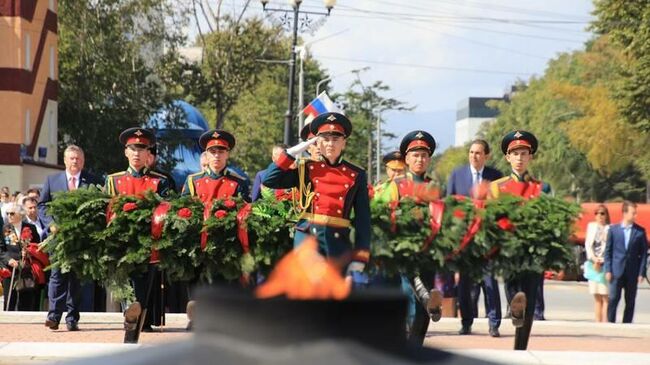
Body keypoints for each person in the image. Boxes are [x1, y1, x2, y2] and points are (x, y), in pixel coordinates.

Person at [263, 112, 371, 274]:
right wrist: (292, 152)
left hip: (338, 240)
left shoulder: (356, 174)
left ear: (344, 143)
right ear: (317, 142)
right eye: (325, 139)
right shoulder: (305, 168)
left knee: (334, 293)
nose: (330, 144)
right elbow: (269, 180)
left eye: (335, 139)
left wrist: (360, 256)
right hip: (308, 236)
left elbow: (363, 220)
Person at [181, 129, 251, 330]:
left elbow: (246, 212)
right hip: (198, 241)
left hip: (226, 242)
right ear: (206, 154)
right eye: (212, 152)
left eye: (221, 151)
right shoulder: (193, 181)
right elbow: (182, 209)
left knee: (223, 282)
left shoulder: (238, 183)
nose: (217, 156)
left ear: (227, 154)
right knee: (197, 280)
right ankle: (196, 317)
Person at [105, 127, 171, 340]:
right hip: (122, 247)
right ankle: (130, 325)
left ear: (148, 154)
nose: (137, 153)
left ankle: (133, 330)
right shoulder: (113, 181)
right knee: (128, 292)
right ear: (126, 152)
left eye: (141, 149)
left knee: (142, 294)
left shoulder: (159, 181)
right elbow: (105, 211)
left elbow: (167, 212)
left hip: (148, 247)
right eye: (133, 148)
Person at [489, 130, 551, 350]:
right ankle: (514, 309)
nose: (519, 157)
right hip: (509, 250)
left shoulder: (542, 188)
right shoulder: (497, 187)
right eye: (514, 153)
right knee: (515, 291)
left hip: (533, 252)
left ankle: (520, 349)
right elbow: (491, 218)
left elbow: (549, 218)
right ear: (507, 157)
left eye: (524, 153)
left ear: (530, 156)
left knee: (531, 298)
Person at [383, 130, 444, 346]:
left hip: (429, 250)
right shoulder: (396, 185)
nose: (420, 159)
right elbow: (384, 215)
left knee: (422, 305)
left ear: (429, 159)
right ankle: (409, 345)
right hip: (404, 249)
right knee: (411, 293)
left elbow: (443, 218)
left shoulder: (435, 187)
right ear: (406, 159)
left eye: (424, 156)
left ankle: (416, 345)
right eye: (415, 155)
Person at [40, 145, 102, 331]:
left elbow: (99, 205)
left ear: (83, 161)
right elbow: (43, 205)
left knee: (76, 279)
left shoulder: (92, 181)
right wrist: (51, 223)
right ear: (65, 160)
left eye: (78, 158)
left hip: (81, 240)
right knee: (57, 277)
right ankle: (54, 316)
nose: (75, 161)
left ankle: (72, 318)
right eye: (72, 158)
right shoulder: (52, 180)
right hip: (58, 238)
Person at [446, 139, 503, 337]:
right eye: (471, 152)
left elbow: (501, 207)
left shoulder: (495, 176)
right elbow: (448, 205)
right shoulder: (457, 175)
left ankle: (494, 323)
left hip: (487, 238)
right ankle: (466, 322)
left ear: (486, 155)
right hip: (464, 239)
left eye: (478, 153)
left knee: (489, 282)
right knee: (464, 283)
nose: (474, 156)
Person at [605, 201, 647, 323]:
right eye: (633, 213)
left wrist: (641, 273)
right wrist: (608, 269)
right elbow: (608, 251)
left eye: (635, 213)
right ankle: (610, 322)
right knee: (613, 298)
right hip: (616, 271)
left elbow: (643, 254)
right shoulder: (614, 230)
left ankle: (627, 324)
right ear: (624, 213)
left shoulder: (639, 232)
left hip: (632, 271)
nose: (635, 216)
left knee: (630, 300)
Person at [1, 203, 42, 311]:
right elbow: (1, 249)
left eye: (12, 213)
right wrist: (8, 259)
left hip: (26, 268)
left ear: (20, 214)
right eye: (7, 213)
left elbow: (37, 246)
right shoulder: (5, 228)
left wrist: (29, 252)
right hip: (10, 268)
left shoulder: (30, 228)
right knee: (9, 299)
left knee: (26, 299)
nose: (9, 216)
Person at [584, 204, 610, 322]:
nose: (599, 216)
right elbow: (588, 244)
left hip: (604, 264)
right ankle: (597, 322)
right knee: (596, 296)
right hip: (593, 263)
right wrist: (593, 258)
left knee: (605, 295)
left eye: (602, 213)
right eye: (597, 213)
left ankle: (605, 321)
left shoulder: (610, 228)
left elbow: (610, 247)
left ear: (606, 215)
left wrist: (602, 260)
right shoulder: (591, 226)